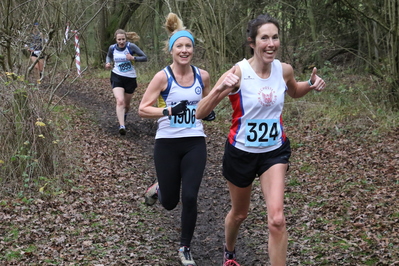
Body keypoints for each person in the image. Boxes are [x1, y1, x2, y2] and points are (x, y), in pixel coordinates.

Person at [195, 13, 326, 266]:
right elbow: (201, 112)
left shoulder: (284, 69)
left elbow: (295, 91)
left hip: (273, 151)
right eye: (264, 38)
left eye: (275, 37)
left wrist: (310, 83)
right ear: (252, 43)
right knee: (239, 213)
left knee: (277, 220)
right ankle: (230, 252)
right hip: (241, 152)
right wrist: (222, 88)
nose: (271, 43)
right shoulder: (238, 72)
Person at [139, 13, 214, 266]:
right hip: (167, 142)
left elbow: (206, 100)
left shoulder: (202, 75)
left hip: (195, 141)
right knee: (170, 203)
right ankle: (160, 188)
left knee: (190, 196)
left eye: (188, 46)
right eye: (179, 46)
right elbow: (142, 109)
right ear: (171, 50)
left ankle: (185, 247)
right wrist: (168, 111)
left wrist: (208, 109)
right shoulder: (162, 77)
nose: (184, 50)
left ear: (193, 49)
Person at [105, 29, 147, 135]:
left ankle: (124, 115)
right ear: (116, 39)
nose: (121, 41)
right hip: (117, 76)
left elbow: (145, 57)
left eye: (123, 39)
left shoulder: (131, 47)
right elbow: (109, 56)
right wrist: (108, 63)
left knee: (127, 105)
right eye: (119, 39)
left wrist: (133, 58)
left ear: (126, 38)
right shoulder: (112, 48)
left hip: (130, 78)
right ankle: (122, 126)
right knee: (120, 101)